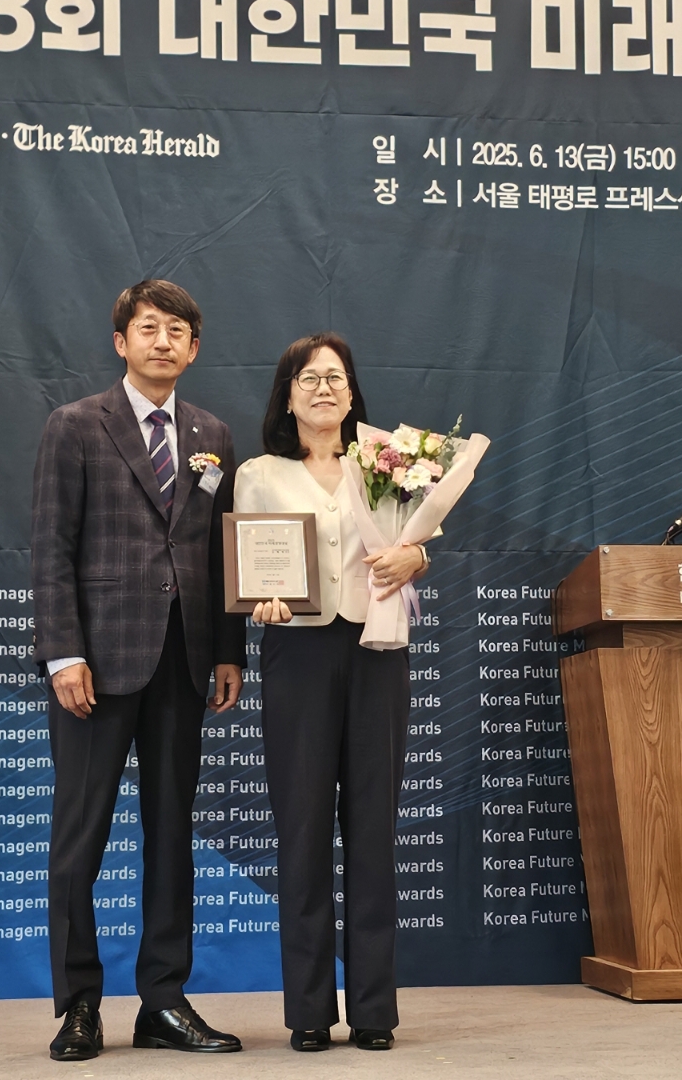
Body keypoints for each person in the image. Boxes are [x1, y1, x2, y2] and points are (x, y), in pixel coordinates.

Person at [31, 279, 246, 1061]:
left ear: (194, 348)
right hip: (95, 665)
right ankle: (79, 1005)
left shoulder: (213, 435)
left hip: (183, 663)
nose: (163, 341)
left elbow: (221, 550)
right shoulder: (75, 425)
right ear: (121, 342)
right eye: (148, 328)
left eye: (176, 331)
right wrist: (64, 652)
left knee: (172, 837)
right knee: (79, 838)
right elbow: (51, 546)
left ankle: (163, 1000)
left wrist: (228, 649)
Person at [233, 333, 428, 1053]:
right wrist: (259, 599)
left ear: (352, 394)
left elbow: (414, 541)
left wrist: (417, 554)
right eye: (308, 378)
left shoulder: (388, 463)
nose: (323, 388)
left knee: (373, 830)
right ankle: (309, 1011)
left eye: (335, 377)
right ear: (287, 396)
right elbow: (249, 562)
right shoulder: (258, 473)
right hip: (299, 652)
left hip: (378, 650)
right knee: (304, 830)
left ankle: (374, 1010)